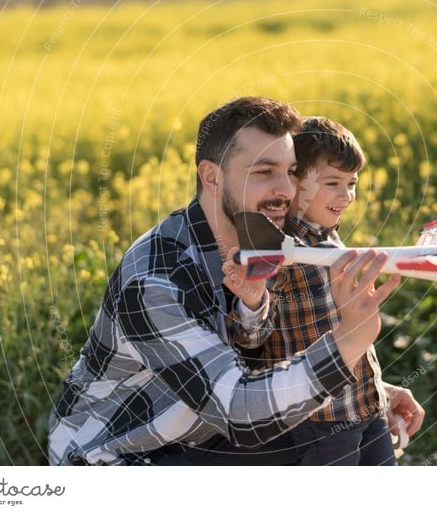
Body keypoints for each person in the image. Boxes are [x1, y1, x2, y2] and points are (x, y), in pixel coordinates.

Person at [47, 96, 408, 465]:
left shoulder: (261, 245)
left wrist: (365, 387)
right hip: (128, 453)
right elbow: (241, 411)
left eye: (291, 171)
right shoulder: (155, 279)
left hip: (204, 434)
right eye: (265, 172)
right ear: (212, 176)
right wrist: (349, 341)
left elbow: (263, 351)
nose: (286, 190)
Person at [226, 117, 420, 465]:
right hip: (319, 424)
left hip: (366, 409)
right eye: (333, 183)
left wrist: (382, 391)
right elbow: (251, 340)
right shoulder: (282, 249)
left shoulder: (329, 239)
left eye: (352, 183)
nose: (346, 196)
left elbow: (349, 335)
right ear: (295, 182)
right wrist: (252, 300)